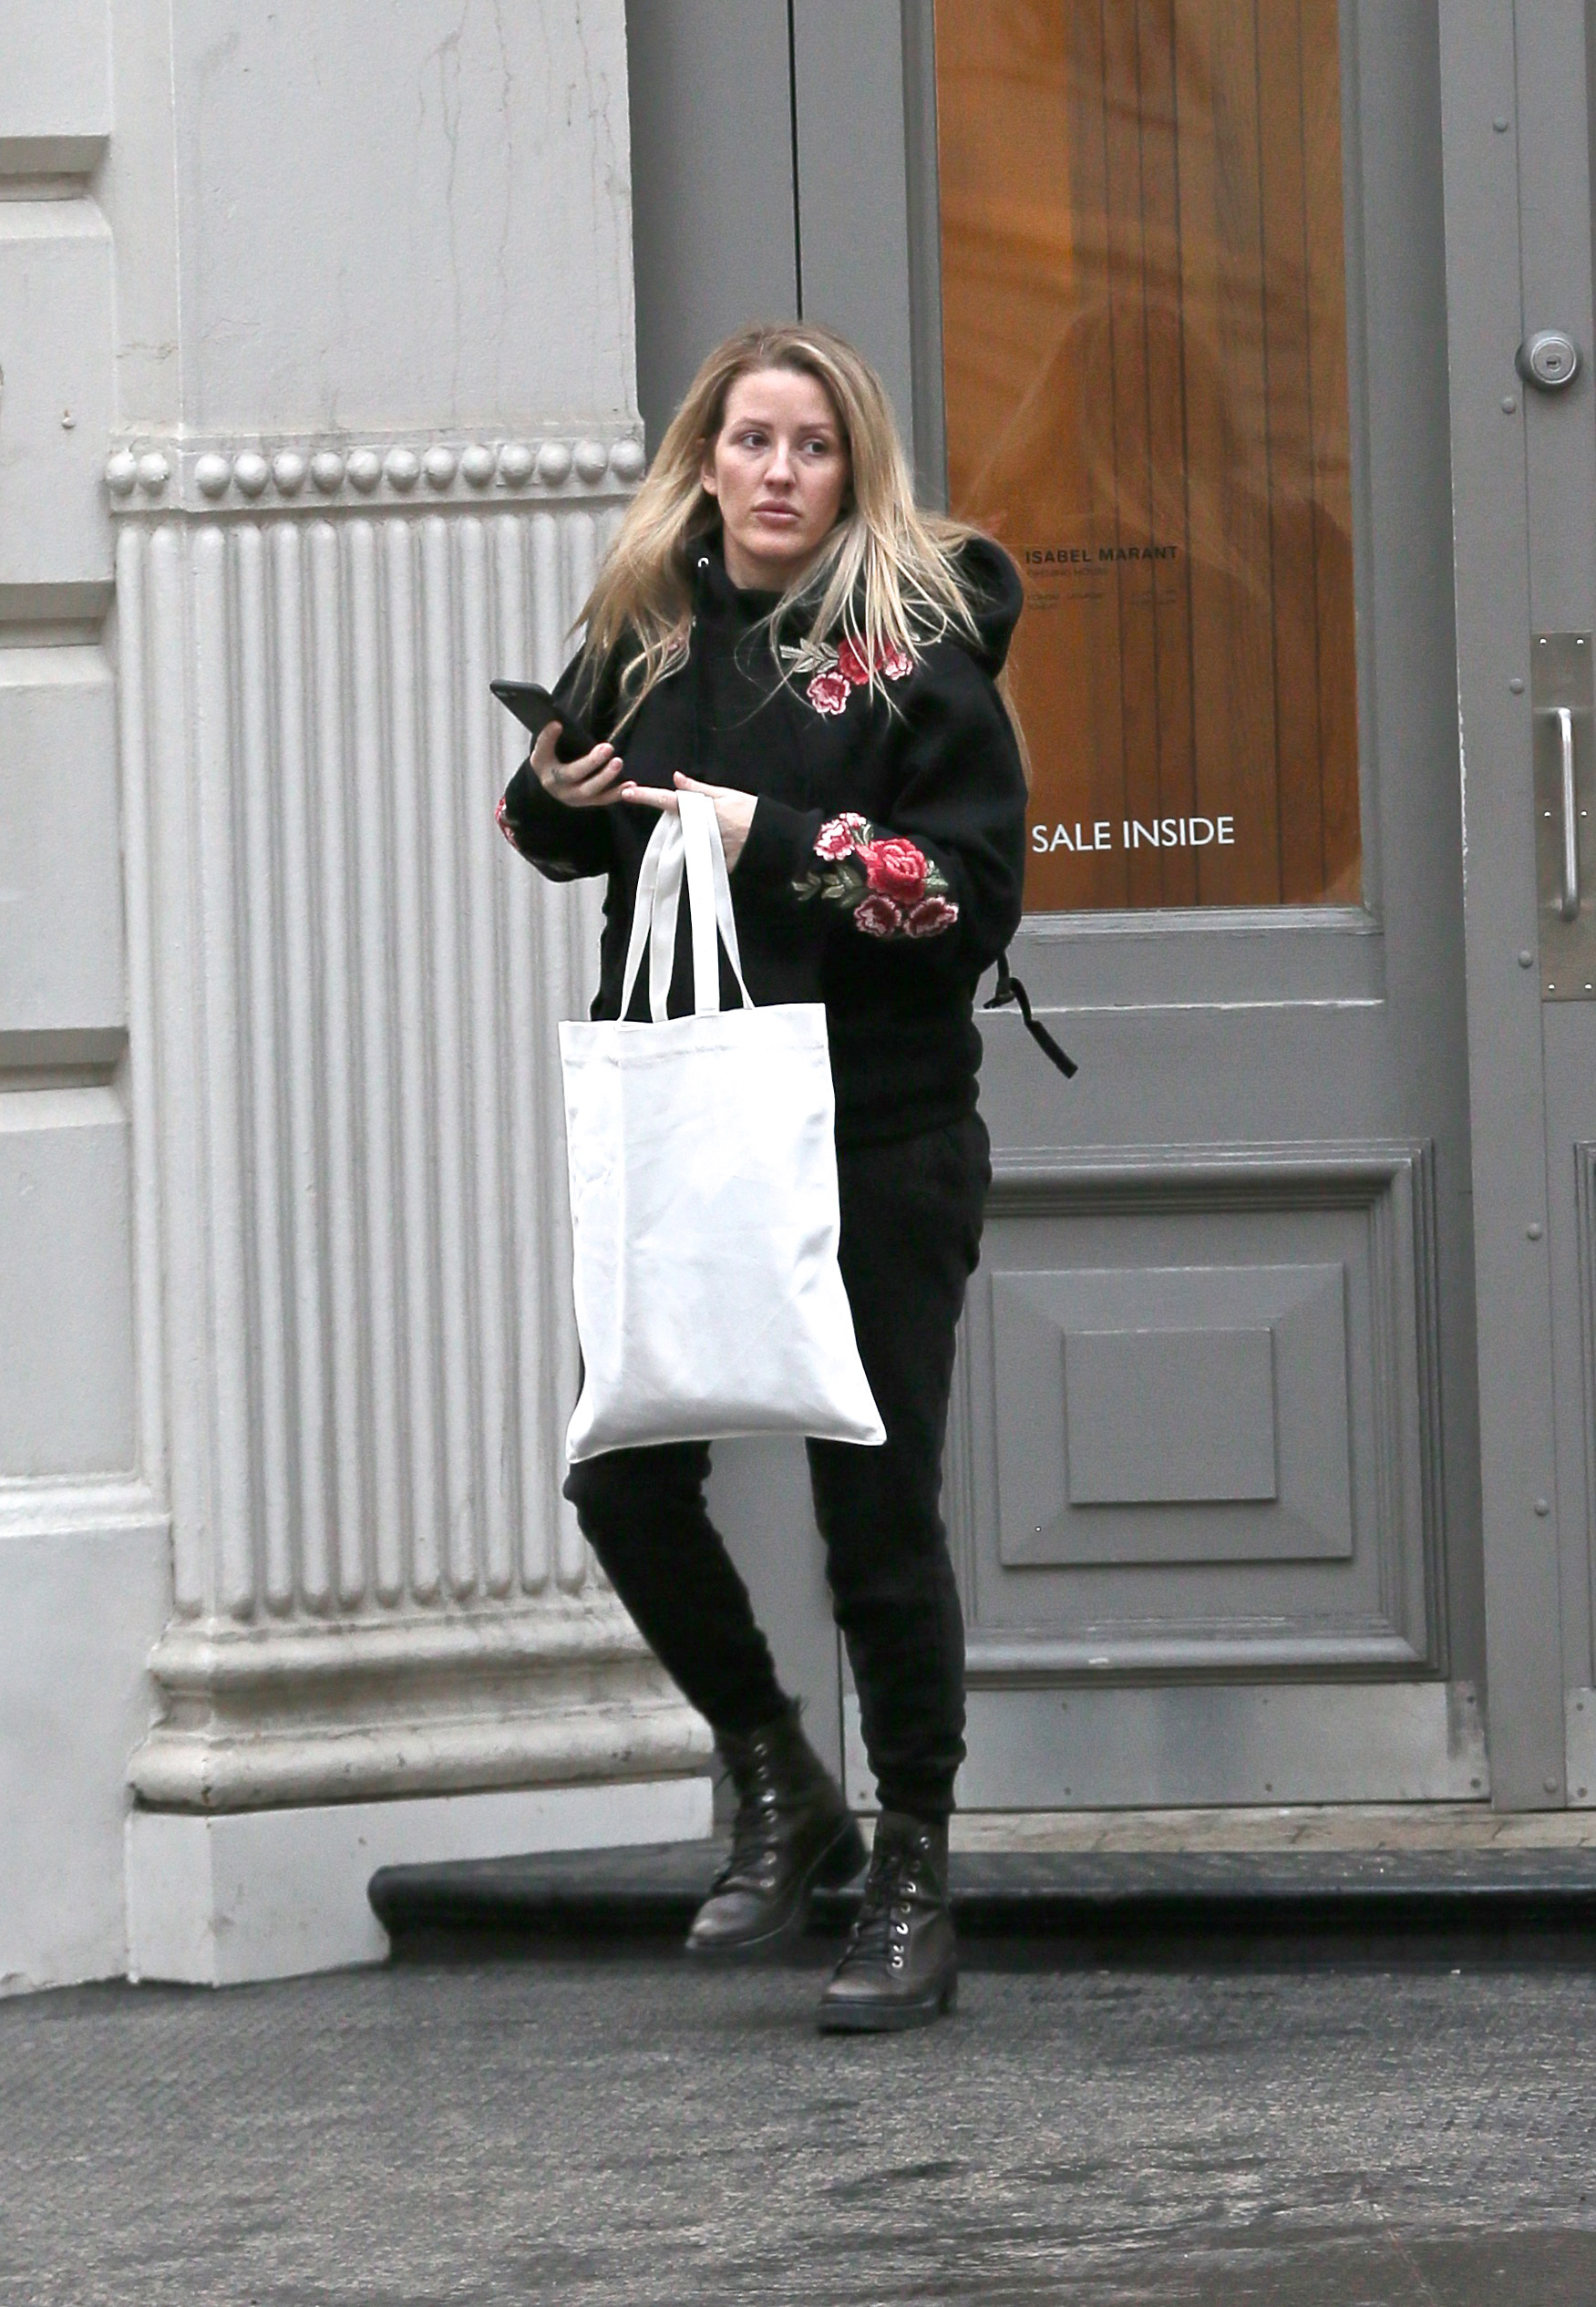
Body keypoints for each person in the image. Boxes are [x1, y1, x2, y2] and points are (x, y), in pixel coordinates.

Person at [496, 321, 1027, 2033]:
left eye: (811, 445)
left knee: (874, 1510)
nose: (778, 473)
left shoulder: (917, 651)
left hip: (876, 1132)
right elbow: (556, 830)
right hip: (694, 1130)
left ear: (852, 469)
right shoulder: (644, 632)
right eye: (751, 442)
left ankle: (912, 1864)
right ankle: (777, 1771)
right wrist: (554, 790)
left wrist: (770, 839)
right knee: (622, 1476)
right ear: (706, 460)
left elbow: (966, 898)